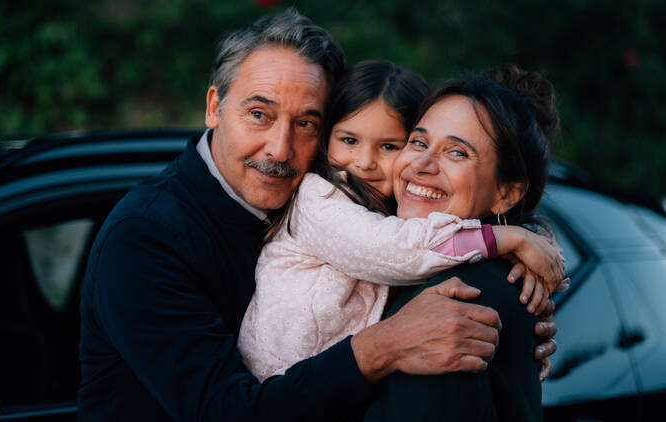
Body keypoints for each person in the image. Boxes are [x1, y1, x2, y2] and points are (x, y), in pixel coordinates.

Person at [78, 9, 558, 421]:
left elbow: (415, 230)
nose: (281, 149)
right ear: (213, 107)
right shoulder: (145, 235)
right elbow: (224, 412)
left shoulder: (349, 198)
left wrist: (513, 315)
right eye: (259, 114)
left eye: (307, 123)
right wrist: (385, 346)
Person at [238, 60, 565, 382]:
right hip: (278, 379)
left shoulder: (401, 221)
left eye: (390, 146)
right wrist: (504, 239)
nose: (364, 163)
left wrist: (520, 327)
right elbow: (395, 250)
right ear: (327, 141)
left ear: (507, 193)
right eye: (419, 143)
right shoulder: (319, 198)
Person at [363, 63, 561, 421]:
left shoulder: (458, 297)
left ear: (506, 193)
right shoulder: (413, 268)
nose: (421, 163)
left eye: (456, 153)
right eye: (418, 142)